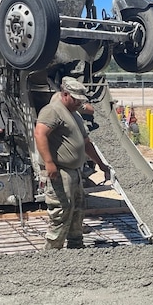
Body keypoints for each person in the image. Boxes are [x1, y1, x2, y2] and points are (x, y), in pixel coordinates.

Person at [34, 76, 111, 249]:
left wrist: (100, 164)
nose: (79, 103)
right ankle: (53, 250)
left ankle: (76, 248)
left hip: (74, 170)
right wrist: (49, 163)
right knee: (61, 210)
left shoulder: (74, 113)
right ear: (65, 94)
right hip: (59, 171)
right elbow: (40, 134)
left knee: (77, 210)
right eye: (76, 100)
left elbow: (85, 142)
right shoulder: (53, 110)